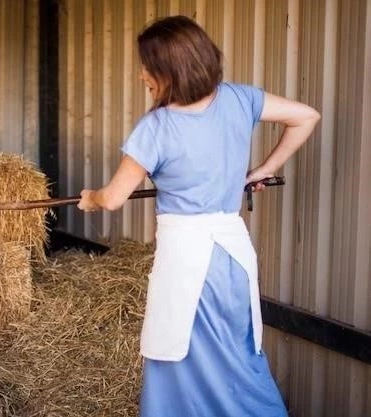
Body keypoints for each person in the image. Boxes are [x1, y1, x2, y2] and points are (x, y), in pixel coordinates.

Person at [77, 16, 320, 417]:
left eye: (147, 65)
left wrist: (92, 198)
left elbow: (115, 197)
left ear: (169, 70)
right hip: (233, 255)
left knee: (177, 355)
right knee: (237, 354)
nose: (141, 75)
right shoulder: (239, 99)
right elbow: (306, 116)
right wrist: (263, 169)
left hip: (189, 260)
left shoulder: (156, 127)